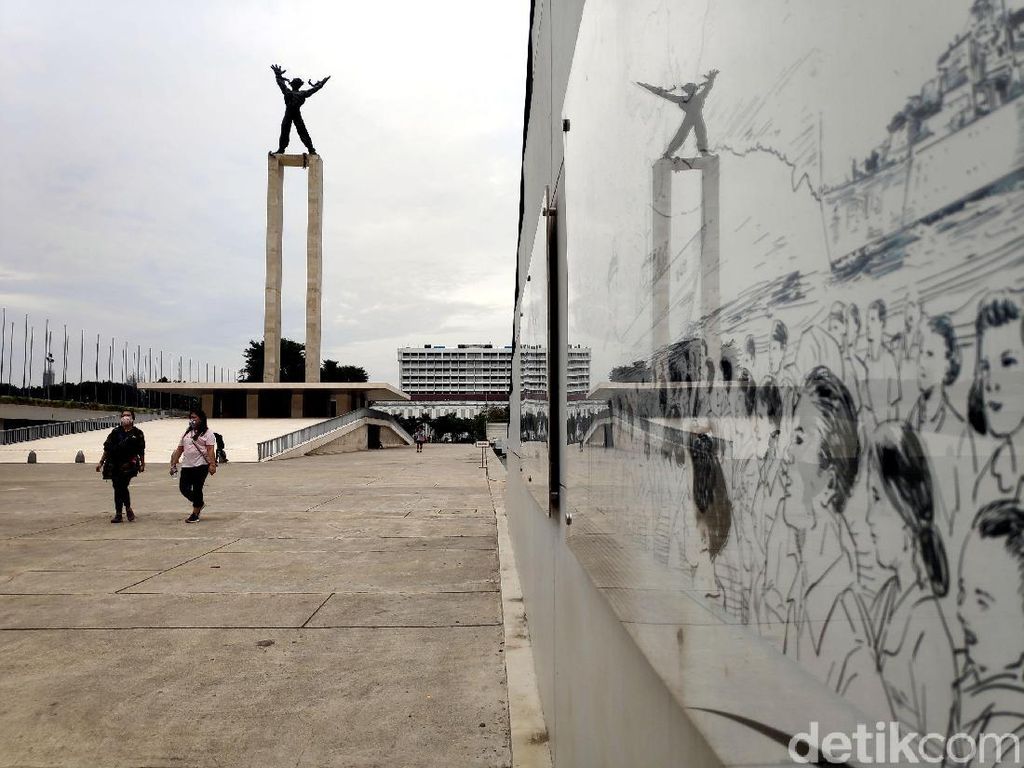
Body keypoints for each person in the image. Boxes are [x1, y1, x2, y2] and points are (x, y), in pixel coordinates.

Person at [949, 500, 1024, 766]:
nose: (962, 611)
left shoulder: (1013, 729)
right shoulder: (966, 682)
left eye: (982, 601)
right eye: (962, 591)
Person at [637, 69, 719, 157]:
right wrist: (655, 90)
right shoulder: (683, 99)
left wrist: (712, 79)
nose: (692, 91)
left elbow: (708, 88)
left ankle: (704, 153)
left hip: (697, 118)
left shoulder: (699, 97)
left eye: (692, 89)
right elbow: (667, 96)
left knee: (701, 133)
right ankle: (669, 153)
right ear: (688, 91)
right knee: (681, 135)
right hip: (690, 118)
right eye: (690, 89)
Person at [95, 409, 146, 523]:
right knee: (117, 487)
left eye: (128, 415)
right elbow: (107, 448)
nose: (125, 417)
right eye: (123, 415)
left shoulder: (138, 433)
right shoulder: (115, 432)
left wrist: (143, 464)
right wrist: (101, 462)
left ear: (133, 418)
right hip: (114, 463)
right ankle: (121, 512)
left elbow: (141, 450)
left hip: (129, 464)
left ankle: (125, 510)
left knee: (122, 485)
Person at [169, 409, 217, 523]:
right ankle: (199, 503)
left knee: (197, 488)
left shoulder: (208, 433)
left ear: (201, 419)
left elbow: (210, 450)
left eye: (195, 417)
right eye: (191, 417)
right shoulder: (186, 433)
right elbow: (180, 449)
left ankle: (195, 513)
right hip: (187, 465)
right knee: (183, 488)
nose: (192, 420)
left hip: (201, 465)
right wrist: (173, 463)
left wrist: (212, 464)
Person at [270, 64, 330, 155]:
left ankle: (311, 149)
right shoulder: (291, 92)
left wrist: (322, 83)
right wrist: (278, 75)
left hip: (294, 113)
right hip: (290, 113)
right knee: (286, 130)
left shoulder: (297, 93)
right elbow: (281, 83)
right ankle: (282, 149)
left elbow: (315, 89)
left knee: (300, 131)